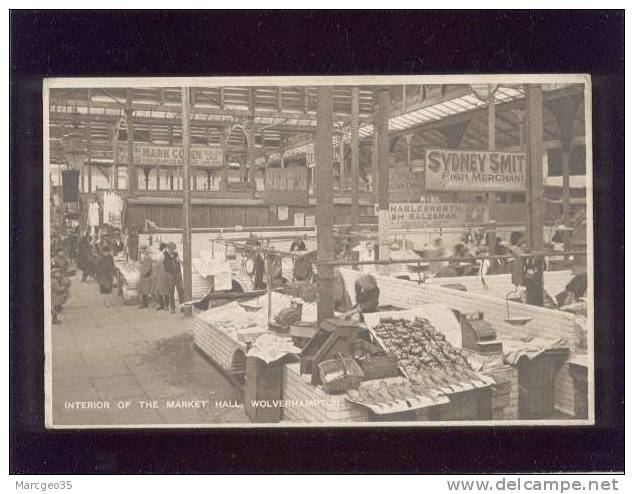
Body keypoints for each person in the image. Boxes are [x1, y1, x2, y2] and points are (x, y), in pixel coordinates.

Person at [153, 243, 171, 311]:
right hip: (166, 274)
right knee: (166, 290)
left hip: (161, 274)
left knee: (160, 290)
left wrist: (154, 273)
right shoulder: (168, 254)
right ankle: (166, 305)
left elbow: (157, 265)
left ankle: (163, 305)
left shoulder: (161, 255)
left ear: (161, 248)